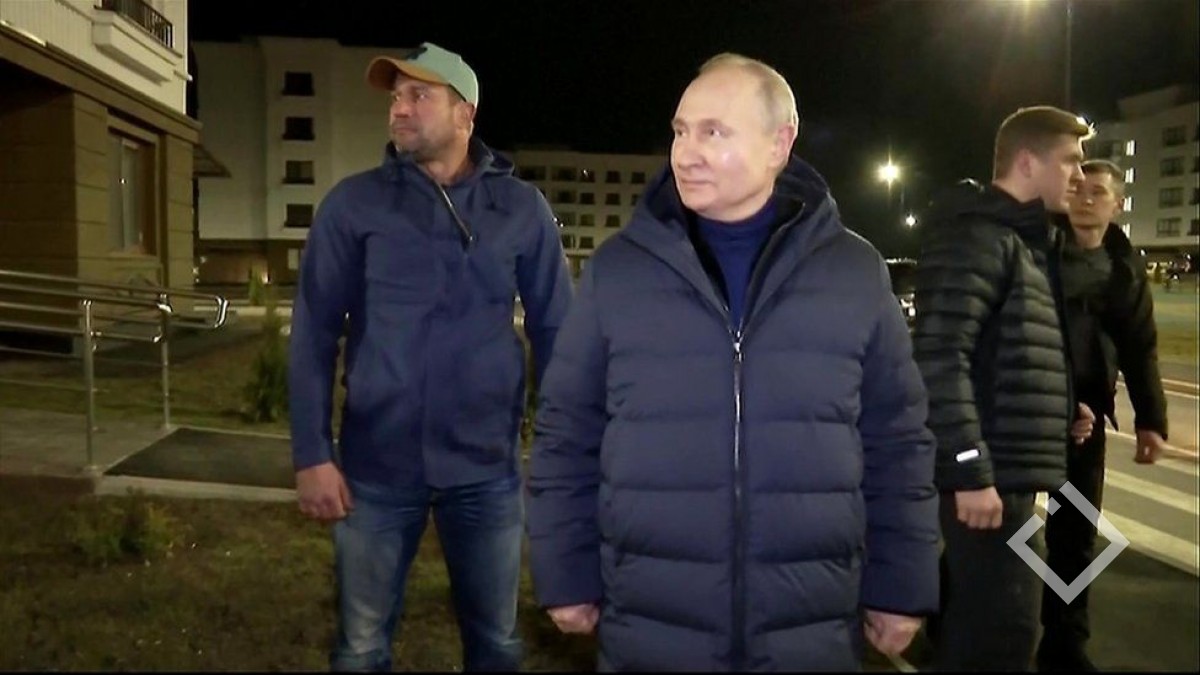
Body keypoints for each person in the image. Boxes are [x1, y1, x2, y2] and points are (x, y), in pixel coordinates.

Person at [526, 52, 939, 671]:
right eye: (680, 131)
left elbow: (898, 439)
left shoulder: (854, 272)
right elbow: (566, 432)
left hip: (810, 628)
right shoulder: (619, 271)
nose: (685, 153)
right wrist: (565, 572)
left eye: (713, 132)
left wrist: (901, 584)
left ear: (780, 144)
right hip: (652, 626)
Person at [287, 42, 573, 671]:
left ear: (465, 113)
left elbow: (557, 330)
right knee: (361, 647)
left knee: (496, 643)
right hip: (376, 470)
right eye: (396, 97)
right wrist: (312, 454)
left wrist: (561, 449)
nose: (400, 109)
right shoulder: (354, 204)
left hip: (487, 470)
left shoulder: (520, 209)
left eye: (419, 95)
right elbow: (313, 333)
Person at [911, 105, 1097, 672]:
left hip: (1007, 475)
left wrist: (1062, 410)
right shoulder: (979, 237)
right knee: (1000, 635)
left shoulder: (1020, 241)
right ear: (1027, 161)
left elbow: (1002, 355)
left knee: (996, 630)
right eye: (1070, 161)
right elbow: (940, 357)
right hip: (988, 481)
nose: (1080, 176)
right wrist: (969, 469)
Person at [1038, 158, 1169, 671]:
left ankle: (1064, 644)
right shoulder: (1038, 250)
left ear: (1118, 204)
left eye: (1098, 192)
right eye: (1078, 188)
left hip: (1087, 421)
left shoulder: (1123, 268)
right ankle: (947, 609)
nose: (1085, 198)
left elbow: (1140, 346)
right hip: (1030, 407)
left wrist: (1150, 421)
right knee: (993, 521)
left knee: (1074, 536)